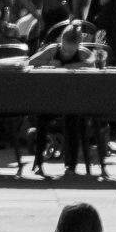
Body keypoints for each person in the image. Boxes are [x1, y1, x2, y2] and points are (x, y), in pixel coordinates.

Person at [26, 20, 103, 175]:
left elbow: (94, 66)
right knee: (41, 119)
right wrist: (47, 65)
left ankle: (71, 165)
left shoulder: (83, 53)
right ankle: (38, 162)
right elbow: (30, 63)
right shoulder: (52, 50)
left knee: (72, 121)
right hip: (52, 99)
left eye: (71, 51)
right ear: (60, 42)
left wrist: (68, 66)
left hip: (74, 100)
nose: (67, 54)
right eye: (65, 50)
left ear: (78, 45)